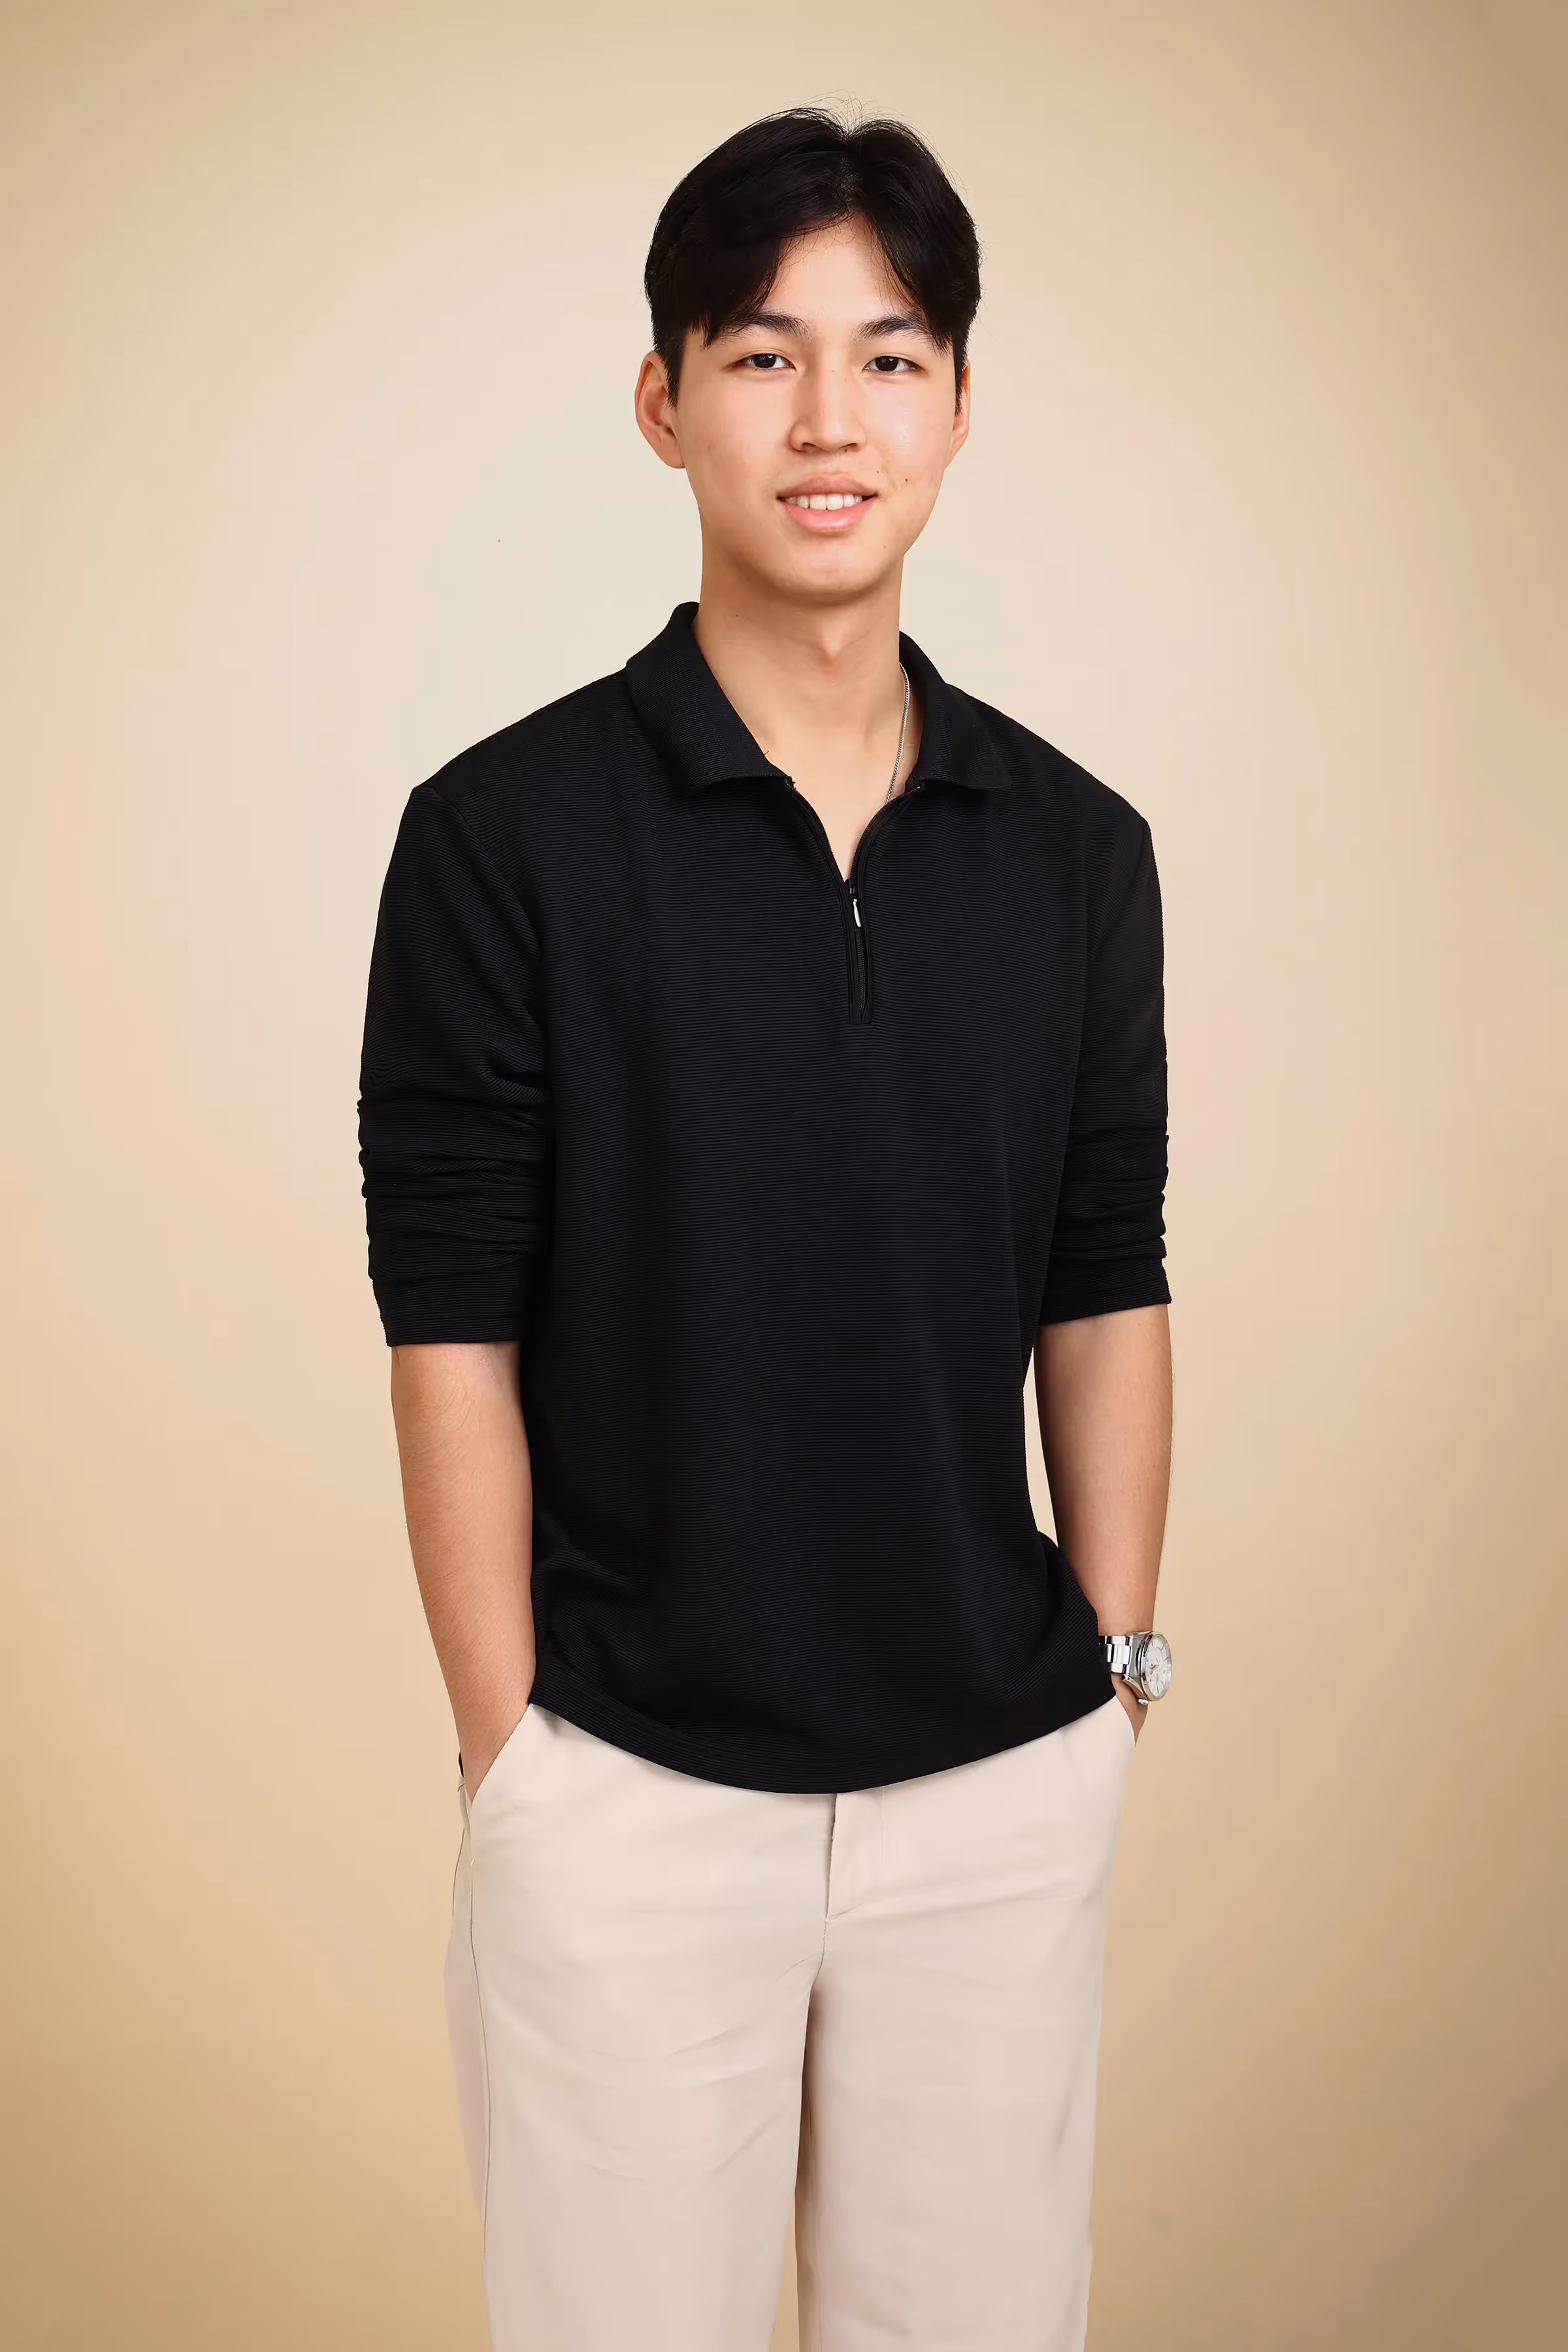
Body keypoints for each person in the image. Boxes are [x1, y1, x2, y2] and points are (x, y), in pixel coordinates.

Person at [357, 103, 1174, 2352]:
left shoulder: (1076, 850)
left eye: (889, 357)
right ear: (664, 400)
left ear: (960, 403)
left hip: (1000, 1784)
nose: (831, 421)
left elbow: (1107, 1273)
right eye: (761, 355)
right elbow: (448, 1314)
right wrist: (513, 1759)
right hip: (625, 1785)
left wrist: (1116, 1681)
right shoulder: (503, 835)